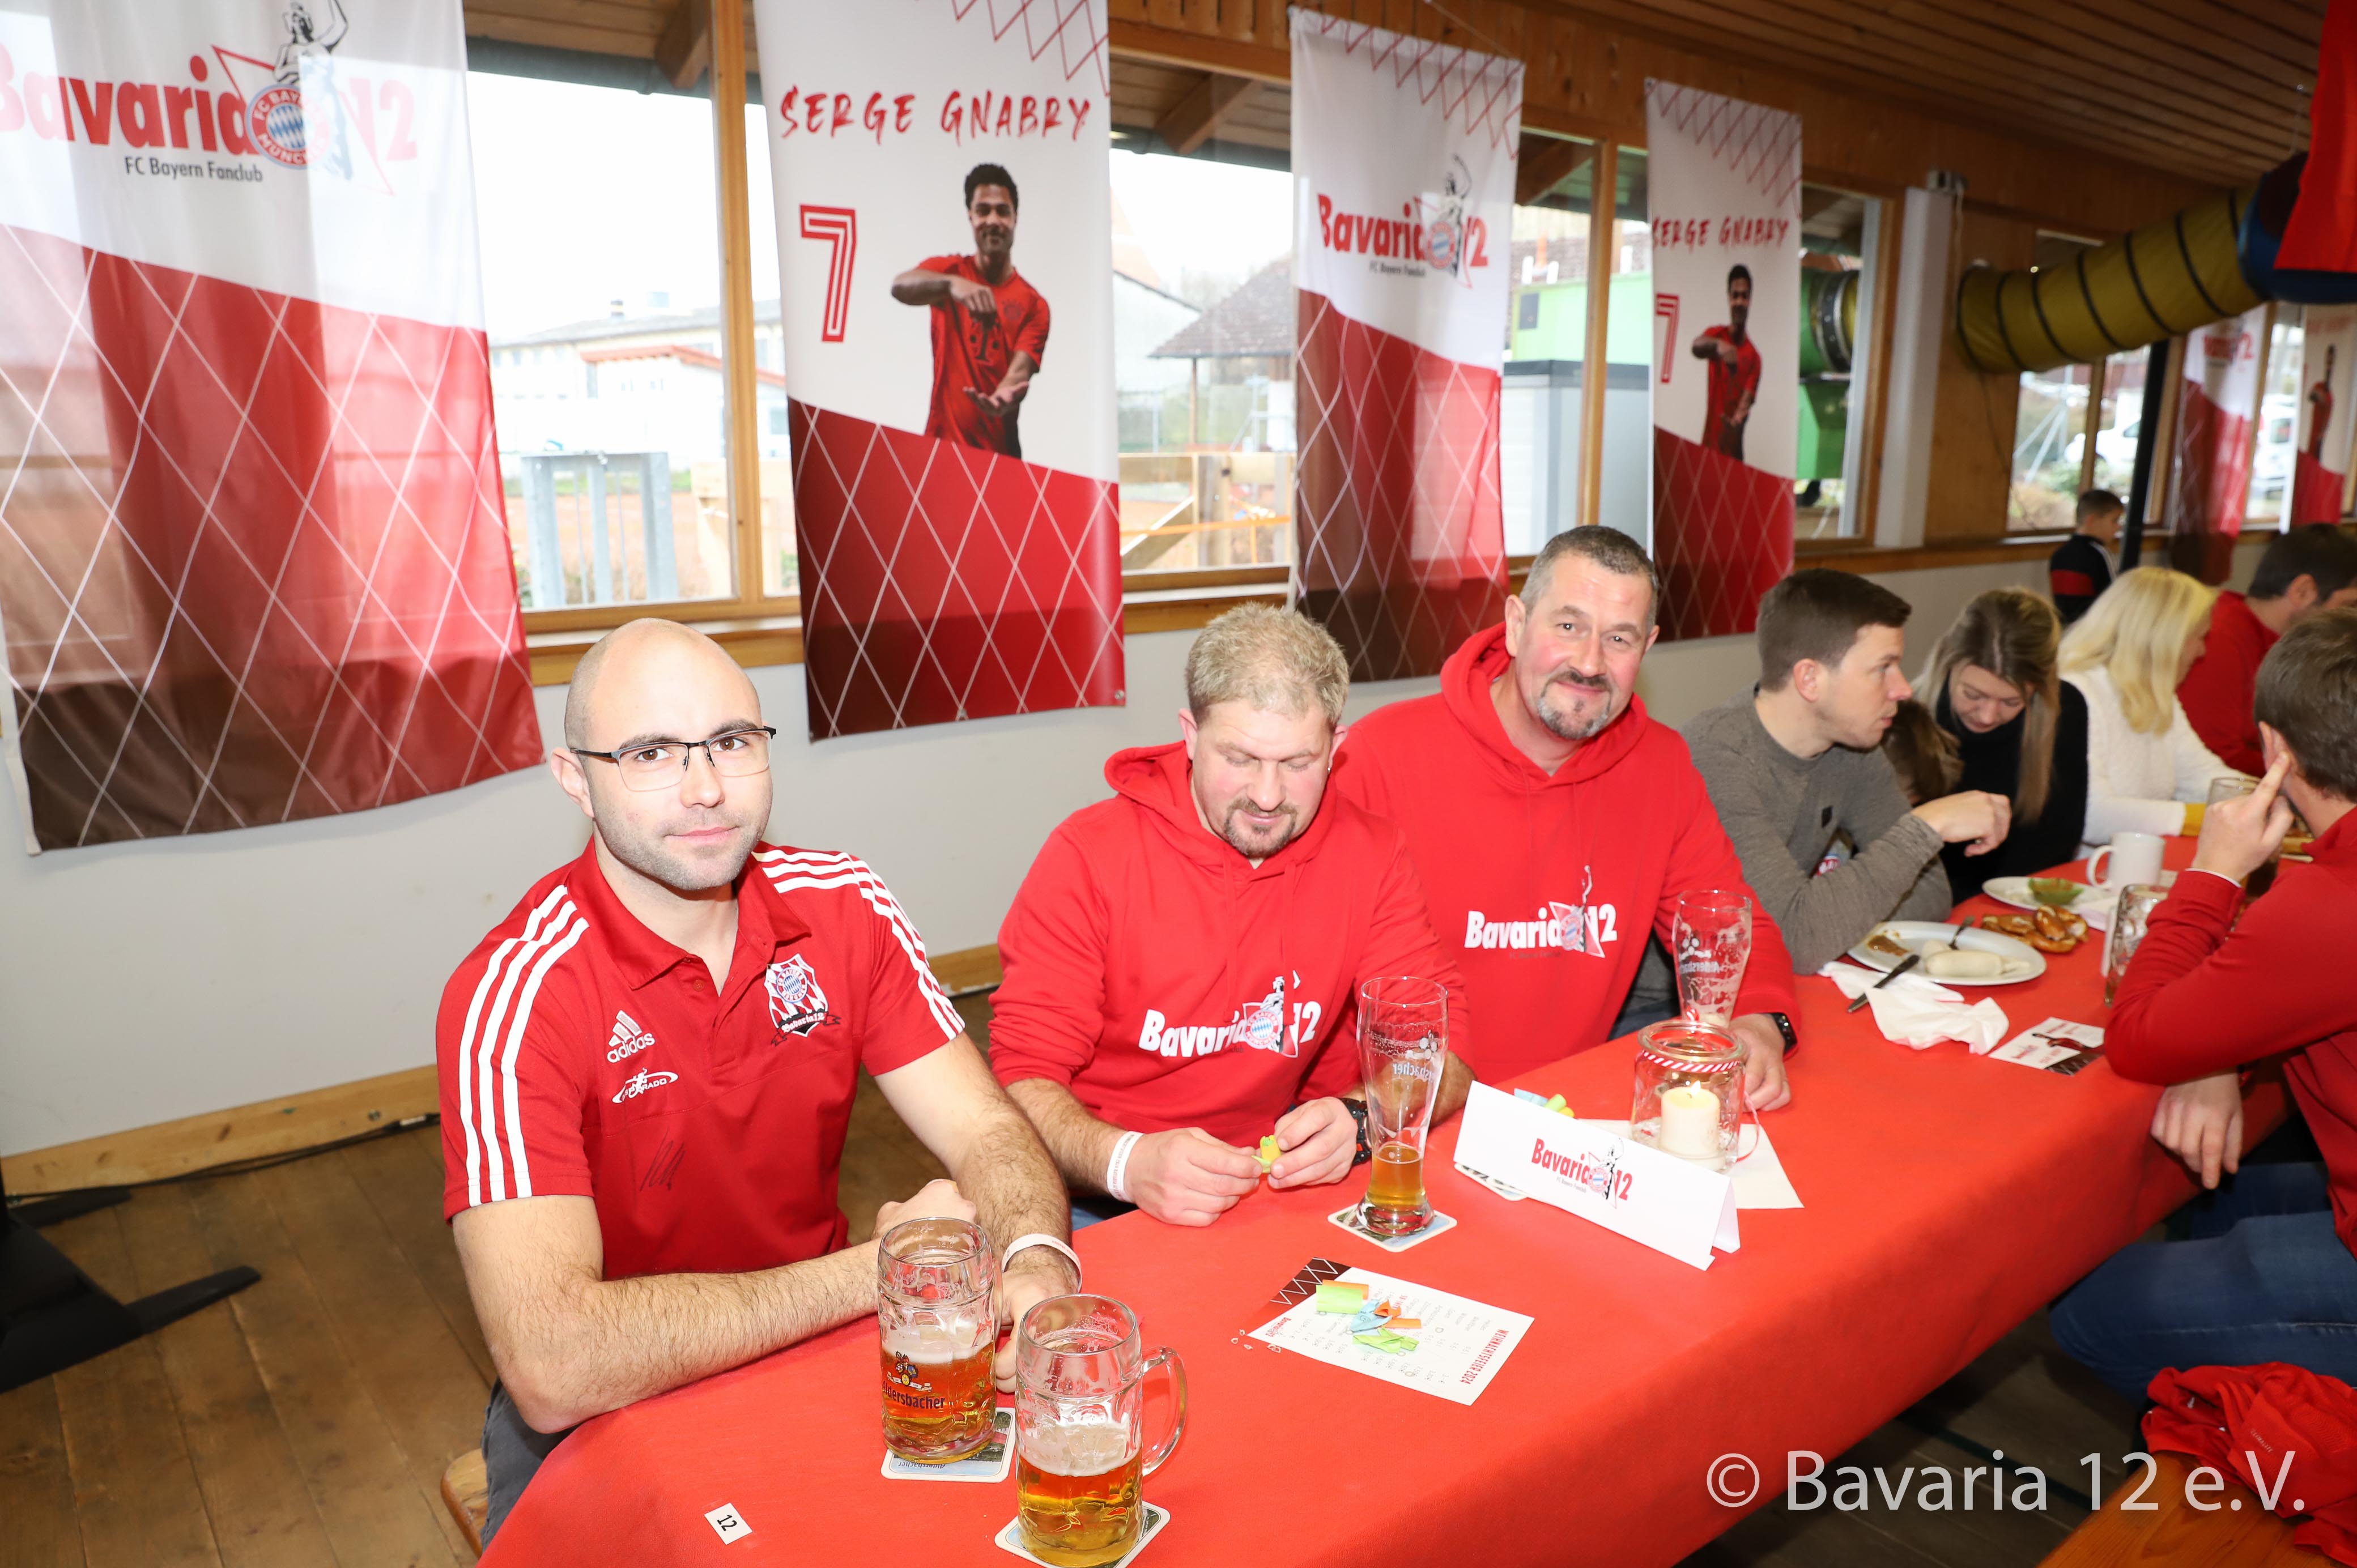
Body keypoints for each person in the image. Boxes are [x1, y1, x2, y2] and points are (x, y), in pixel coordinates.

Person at [438, 620, 1077, 1545]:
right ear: (574, 778)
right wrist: (889, 1268)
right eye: (651, 753)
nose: (706, 789)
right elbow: (554, 1362)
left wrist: (1036, 1258)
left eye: (732, 742)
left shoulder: (846, 901)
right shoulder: (514, 993)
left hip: (820, 1342)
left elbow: (983, 1127)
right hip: (609, 1402)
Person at [989, 606, 1473, 1229]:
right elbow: (1020, 1081)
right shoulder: (1088, 856)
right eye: (1240, 759)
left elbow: (1442, 1048)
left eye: (1298, 763)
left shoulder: (1372, 853)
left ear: (1336, 749)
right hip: (1098, 1185)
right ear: (1190, 735)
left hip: (1269, 1175)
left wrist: (1360, 1119)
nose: (1268, 797)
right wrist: (1126, 1162)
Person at [1333, 526, 1799, 1107]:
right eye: (1568, 626)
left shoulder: (1660, 765)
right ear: (1516, 624)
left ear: (1647, 647)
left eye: (1619, 638)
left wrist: (1758, 1019)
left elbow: (1726, 922)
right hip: (1396, 1112)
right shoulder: (1379, 756)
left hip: (1565, 1111)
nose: (1589, 662)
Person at [2049, 610, 2357, 1399]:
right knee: (2223, 1196)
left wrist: (2213, 874)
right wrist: (2214, 1049)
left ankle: (2254, 1436)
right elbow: (2283, 990)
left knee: (2087, 1311)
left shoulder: (2327, 903)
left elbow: (2137, 1034)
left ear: (2275, 749)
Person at [1684, 569, 2013, 974]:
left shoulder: (1853, 746)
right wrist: (1925, 828)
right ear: (1810, 679)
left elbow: (1930, 895)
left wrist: (1827, 923)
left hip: (1773, 982)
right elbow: (1795, 942)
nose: (1903, 689)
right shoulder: (1714, 759)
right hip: (1672, 999)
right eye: (1883, 668)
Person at [1905, 587, 2090, 901]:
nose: (1988, 716)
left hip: (2019, 900)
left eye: (2011, 702)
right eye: (1973, 695)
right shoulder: (1910, 720)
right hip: (1928, 905)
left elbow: (2057, 840)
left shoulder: (2066, 710)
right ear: (1948, 664)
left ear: (2039, 689)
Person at [2061, 566, 2244, 850]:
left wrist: (2265, 797)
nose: (2202, 651)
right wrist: (2202, 816)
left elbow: (2201, 775)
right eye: (2198, 637)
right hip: (2085, 871)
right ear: (2165, 639)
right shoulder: (2077, 693)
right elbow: (2093, 815)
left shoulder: (2156, 693)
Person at [891, 163, 1049, 459]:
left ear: (1015, 218)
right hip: (941, 451)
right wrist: (951, 285)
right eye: (983, 211)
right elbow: (900, 286)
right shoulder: (949, 272)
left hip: (1000, 461)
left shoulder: (1034, 305)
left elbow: (1020, 371)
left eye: (1002, 211)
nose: (993, 220)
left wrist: (1005, 396)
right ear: (971, 216)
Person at [2179, 525, 2357, 773]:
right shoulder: (2218, 638)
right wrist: (2314, 773)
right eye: (2349, 605)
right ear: (2302, 591)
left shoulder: (2290, 639)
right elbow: (2218, 756)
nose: (2351, 616)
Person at [1691, 264, 1761, 461]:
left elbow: (1745, 403)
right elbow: (1696, 347)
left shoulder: (1754, 358)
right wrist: (1718, 346)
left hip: (1734, 459)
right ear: (1729, 298)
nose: (1739, 302)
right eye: (1735, 296)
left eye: (1744, 296)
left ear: (1750, 300)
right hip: (1707, 452)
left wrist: (1737, 422)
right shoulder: (1717, 336)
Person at [2048, 488, 2122, 628]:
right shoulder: (2101, 554)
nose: (2118, 527)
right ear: (2092, 520)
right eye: (2114, 521)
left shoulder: (2059, 554)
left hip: (2065, 630)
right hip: (2095, 630)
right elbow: (2115, 597)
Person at [2308, 347, 2335, 462]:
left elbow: (2327, 419)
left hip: (2320, 438)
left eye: (2331, 362)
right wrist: (2319, 396)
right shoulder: (2319, 387)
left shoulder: (2330, 397)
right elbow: (2311, 396)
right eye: (2328, 361)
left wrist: (2322, 434)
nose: (2329, 366)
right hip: (2313, 434)